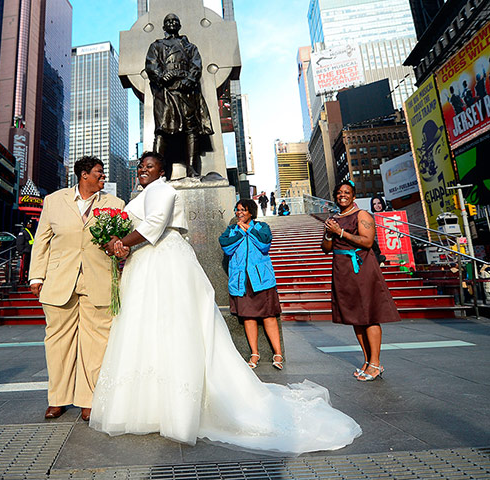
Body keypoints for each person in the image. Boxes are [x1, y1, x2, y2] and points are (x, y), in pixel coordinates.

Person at [91, 152, 361, 454]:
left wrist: (121, 243)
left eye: (149, 166)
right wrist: (118, 244)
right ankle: (148, 405)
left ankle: (181, 406)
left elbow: (154, 225)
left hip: (164, 260)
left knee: (174, 324)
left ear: (162, 171)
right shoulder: (139, 197)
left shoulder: (165, 191)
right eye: (140, 166)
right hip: (144, 262)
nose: (142, 169)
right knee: (146, 326)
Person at [29, 156, 125, 421]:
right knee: (57, 342)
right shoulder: (54, 201)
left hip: (99, 279)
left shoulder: (115, 204)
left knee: (97, 343)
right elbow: (42, 242)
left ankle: (89, 400)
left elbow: (120, 240)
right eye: (98, 173)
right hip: (60, 280)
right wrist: (36, 277)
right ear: (83, 175)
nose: (103, 177)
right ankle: (57, 399)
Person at [322, 181, 401, 382]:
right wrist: (330, 233)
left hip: (362, 267)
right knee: (356, 317)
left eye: (347, 192)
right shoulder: (332, 218)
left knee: (369, 314)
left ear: (354, 196)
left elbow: (367, 241)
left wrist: (341, 232)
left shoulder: (362, 215)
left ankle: (376, 363)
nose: (342, 195)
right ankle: (367, 361)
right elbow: (326, 248)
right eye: (339, 193)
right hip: (342, 269)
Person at [146, 13, 213, 178]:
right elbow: (151, 64)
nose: (172, 23)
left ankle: (192, 168)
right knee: (162, 130)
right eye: (168, 21)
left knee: (191, 129)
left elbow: (196, 65)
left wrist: (189, 79)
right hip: (165, 93)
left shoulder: (190, 47)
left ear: (179, 25)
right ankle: (158, 171)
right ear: (164, 26)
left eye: (175, 20)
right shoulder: (156, 45)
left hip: (185, 91)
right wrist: (161, 76)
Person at [220, 199, 284, 370]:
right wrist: (241, 232)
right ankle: (254, 353)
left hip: (261, 280)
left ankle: (278, 353)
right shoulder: (232, 230)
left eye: (243, 210)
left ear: (251, 212)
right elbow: (226, 246)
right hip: (241, 280)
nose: (239, 213)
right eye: (238, 210)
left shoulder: (261, 227)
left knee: (269, 316)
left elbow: (265, 244)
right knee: (248, 317)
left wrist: (249, 230)